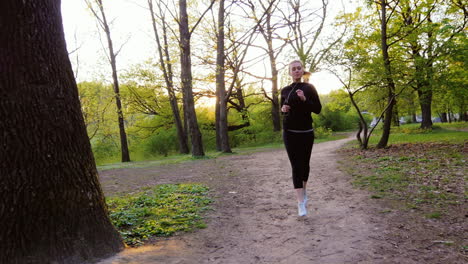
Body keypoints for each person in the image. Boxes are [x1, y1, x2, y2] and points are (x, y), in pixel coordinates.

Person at [280, 60, 322, 216]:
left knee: (305, 164)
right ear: (290, 72)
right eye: (293, 69)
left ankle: (304, 192)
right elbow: (282, 109)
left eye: (299, 68)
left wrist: (305, 100)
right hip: (289, 132)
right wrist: (283, 109)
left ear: (302, 71)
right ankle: (300, 203)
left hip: (306, 132)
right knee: (296, 166)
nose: (296, 71)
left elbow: (317, 109)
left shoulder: (309, 88)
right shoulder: (284, 90)